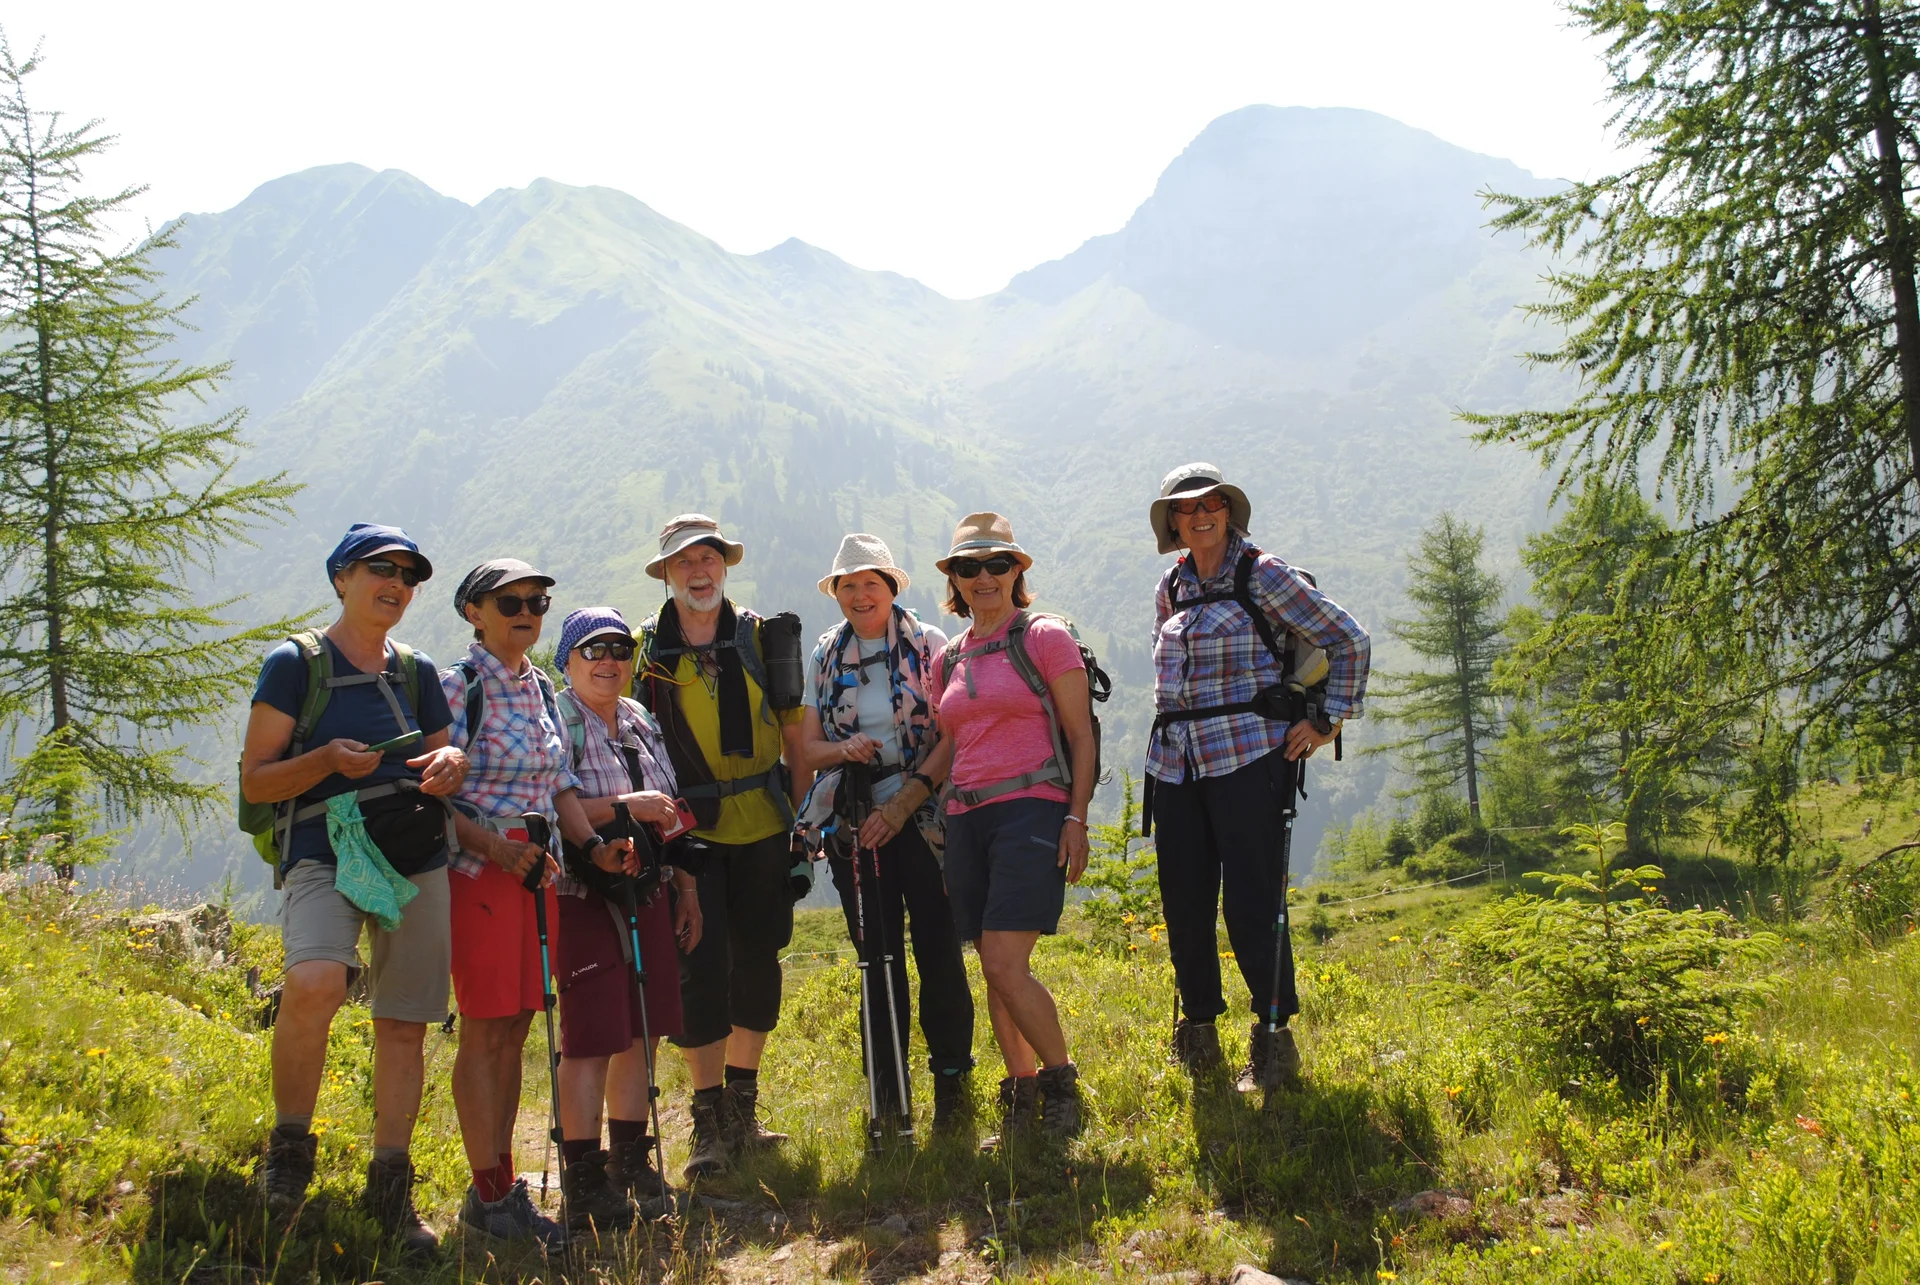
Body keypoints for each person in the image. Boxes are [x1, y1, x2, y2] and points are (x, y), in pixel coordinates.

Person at [241, 523, 465, 1254]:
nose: (396, 583)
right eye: (380, 568)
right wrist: (327, 760)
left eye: (408, 573)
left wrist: (452, 760)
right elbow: (255, 778)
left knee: (404, 1019)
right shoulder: (292, 664)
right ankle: (289, 1151)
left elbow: (443, 751)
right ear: (341, 576)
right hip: (323, 849)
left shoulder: (417, 670)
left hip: (411, 854)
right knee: (313, 980)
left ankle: (390, 1187)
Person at [1144, 462, 1370, 1089]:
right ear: (1173, 522)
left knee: (1251, 901)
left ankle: (1273, 1042)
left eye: (1210, 503)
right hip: (1175, 763)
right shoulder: (1172, 586)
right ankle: (1199, 1034)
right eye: (1186, 508)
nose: (1199, 515)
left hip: (1248, 755)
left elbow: (1348, 639)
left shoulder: (1263, 574)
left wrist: (1328, 720)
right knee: (1184, 900)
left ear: (1229, 510)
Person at [440, 560, 635, 1246]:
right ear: (475, 611)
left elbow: (560, 791)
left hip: (537, 874)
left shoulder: (541, 690)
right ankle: (490, 1192)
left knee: (518, 1026)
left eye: (537, 600)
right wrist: (495, 849)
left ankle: (499, 1188)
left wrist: (591, 844)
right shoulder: (458, 687)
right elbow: (435, 798)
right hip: (483, 875)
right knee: (487, 1028)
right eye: (510, 601)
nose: (526, 610)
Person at [633, 515, 811, 1178]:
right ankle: (708, 1119)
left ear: (725, 566)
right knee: (700, 969)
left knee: (758, 962)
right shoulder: (645, 651)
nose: (699, 571)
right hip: (690, 835)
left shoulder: (763, 639)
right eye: (685, 562)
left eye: (708, 558)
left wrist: (798, 819)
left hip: (764, 824)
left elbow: (795, 741)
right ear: (668, 574)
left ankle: (742, 1104)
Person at [793, 534, 974, 1135]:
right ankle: (889, 1100)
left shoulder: (931, 646)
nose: (859, 593)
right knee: (877, 959)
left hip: (925, 816)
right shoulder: (824, 654)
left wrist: (902, 803)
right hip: (853, 821)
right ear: (837, 594)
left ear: (893, 587)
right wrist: (843, 750)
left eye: (871, 582)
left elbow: (953, 737)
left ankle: (953, 1087)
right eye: (848, 584)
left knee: (939, 953)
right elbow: (808, 749)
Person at [930, 512, 1096, 1147]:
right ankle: (1020, 1094)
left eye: (996, 564)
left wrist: (1075, 817)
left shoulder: (1046, 637)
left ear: (1017, 571)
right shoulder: (949, 658)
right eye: (969, 567)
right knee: (996, 967)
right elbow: (948, 745)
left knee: (1003, 959)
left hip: (1033, 807)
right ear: (955, 579)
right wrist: (909, 801)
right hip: (966, 819)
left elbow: (1080, 737)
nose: (983, 577)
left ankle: (1061, 1087)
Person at [550, 607, 702, 1223]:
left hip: (648, 886)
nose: (609, 661)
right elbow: (552, 799)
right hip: (583, 894)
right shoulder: (559, 718)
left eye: (618, 649)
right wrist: (624, 804)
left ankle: (630, 1161)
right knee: (590, 1035)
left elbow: (672, 808)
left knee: (644, 1029)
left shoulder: (638, 718)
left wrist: (686, 887)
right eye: (592, 650)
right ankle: (583, 1179)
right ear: (567, 661)